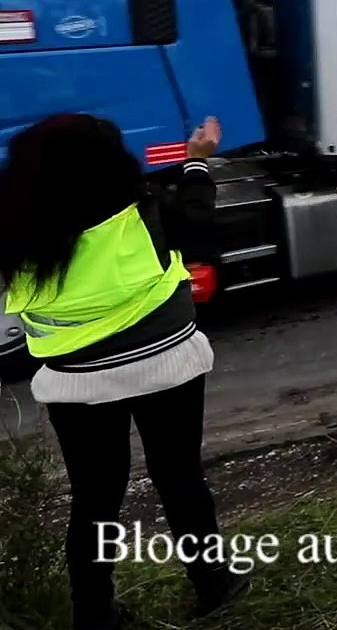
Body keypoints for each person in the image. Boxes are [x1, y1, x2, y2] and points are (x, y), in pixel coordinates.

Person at [0, 115, 249, 630]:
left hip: (75, 379)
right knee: (179, 476)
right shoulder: (144, 213)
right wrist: (196, 160)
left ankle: (93, 614)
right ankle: (213, 583)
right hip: (166, 363)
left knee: (95, 496)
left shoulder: (19, 235)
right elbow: (200, 221)